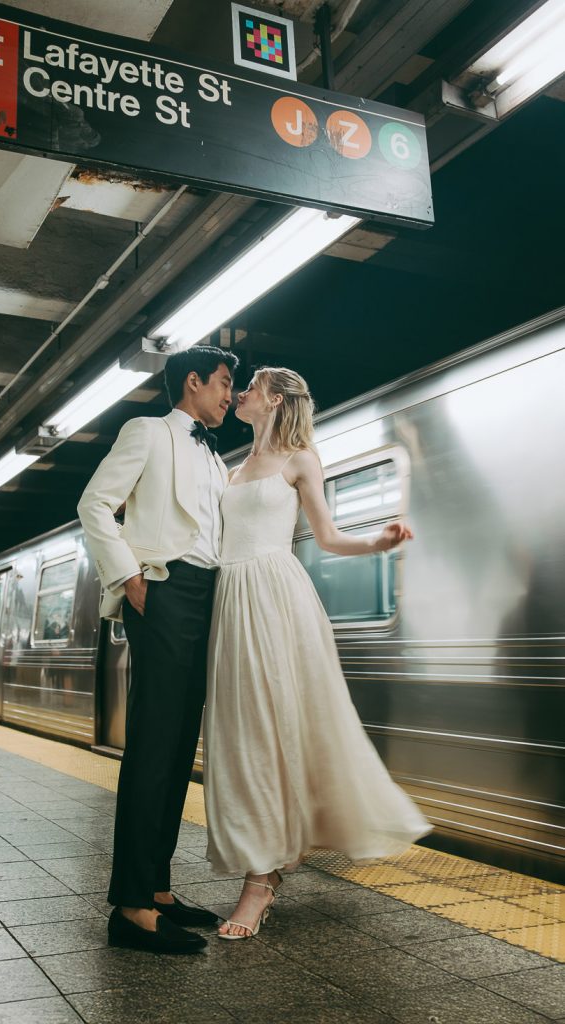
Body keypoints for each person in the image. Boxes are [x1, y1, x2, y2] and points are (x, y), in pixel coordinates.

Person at [204, 366, 431, 939]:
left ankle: (260, 882)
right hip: (231, 602)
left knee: (273, 727)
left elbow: (327, 536)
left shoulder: (299, 458)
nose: (241, 394)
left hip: (276, 601)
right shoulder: (230, 471)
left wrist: (377, 542)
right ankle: (273, 851)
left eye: (251, 387)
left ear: (274, 399)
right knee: (242, 734)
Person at [77, 345, 238, 954]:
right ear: (192, 383)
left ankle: (160, 888)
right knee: (151, 748)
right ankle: (131, 909)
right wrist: (129, 578)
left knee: (176, 752)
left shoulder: (215, 459)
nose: (229, 394)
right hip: (165, 592)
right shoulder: (148, 431)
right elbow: (94, 504)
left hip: (207, 596)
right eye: (225, 383)